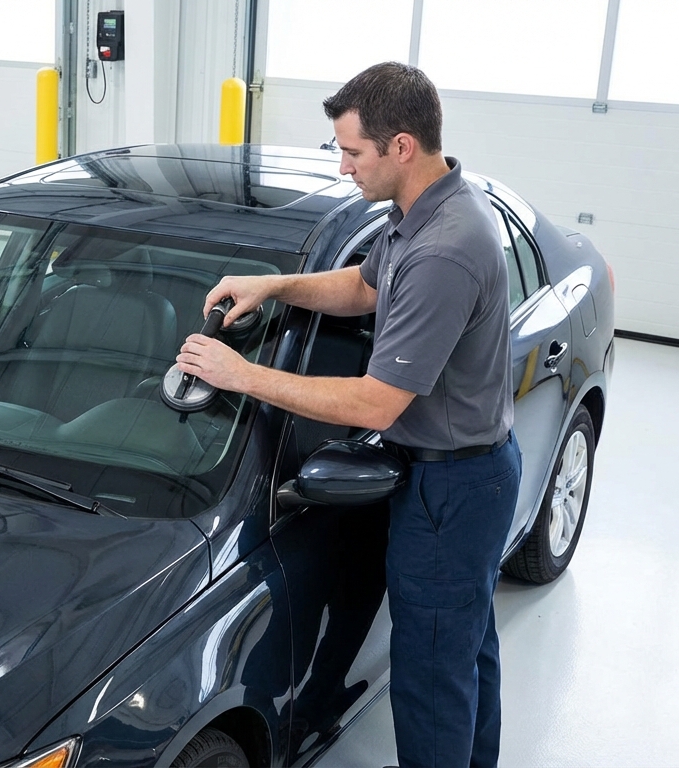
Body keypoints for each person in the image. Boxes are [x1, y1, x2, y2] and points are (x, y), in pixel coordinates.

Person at [175, 62, 522, 767]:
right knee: (464, 653)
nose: (342, 167)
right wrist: (275, 285)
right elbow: (364, 288)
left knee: (431, 679)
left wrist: (241, 375)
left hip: (451, 490)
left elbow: (376, 401)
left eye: (352, 152)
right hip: (465, 473)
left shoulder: (445, 248)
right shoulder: (419, 213)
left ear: (402, 147)